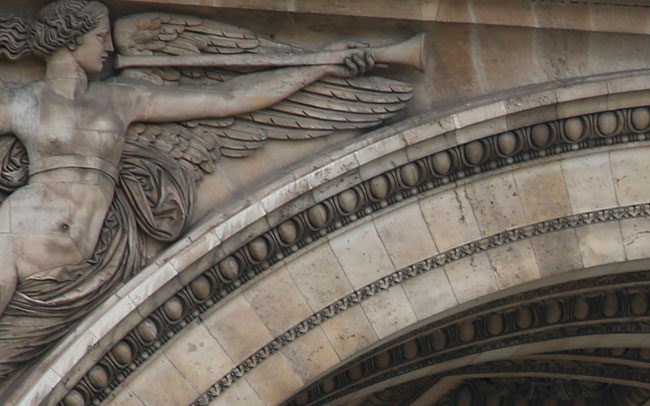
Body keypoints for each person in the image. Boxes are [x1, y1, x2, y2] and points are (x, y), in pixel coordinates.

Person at [0, 1, 377, 317]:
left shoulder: (120, 98)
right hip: (19, 236)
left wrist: (315, 69)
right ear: (69, 39)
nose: (110, 47)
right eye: (100, 37)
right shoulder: (21, 103)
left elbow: (227, 99)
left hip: (90, 258)